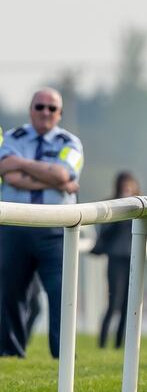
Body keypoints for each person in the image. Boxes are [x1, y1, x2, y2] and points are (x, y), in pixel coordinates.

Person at [0, 88, 82, 358]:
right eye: (39, 107)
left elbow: (63, 174)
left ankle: (63, 354)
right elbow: (7, 175)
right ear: (30, 110)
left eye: (51, 108)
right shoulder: (12, 137)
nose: (45, 112)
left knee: (61, 294)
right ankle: (10, 352)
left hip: (56, 230)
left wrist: (21, 164)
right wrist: (52, 178)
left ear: (60, 113)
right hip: (15, 226)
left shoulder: (71, 142)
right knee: (10, 292)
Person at [90, 171, 140, 349]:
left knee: (128, 305)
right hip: (116, 259)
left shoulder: (139, 205)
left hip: (133, 258)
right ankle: (102, 343)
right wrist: (121, 210)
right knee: (114, 302)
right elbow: (105, 232)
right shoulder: (111, 205)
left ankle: (119, 344)